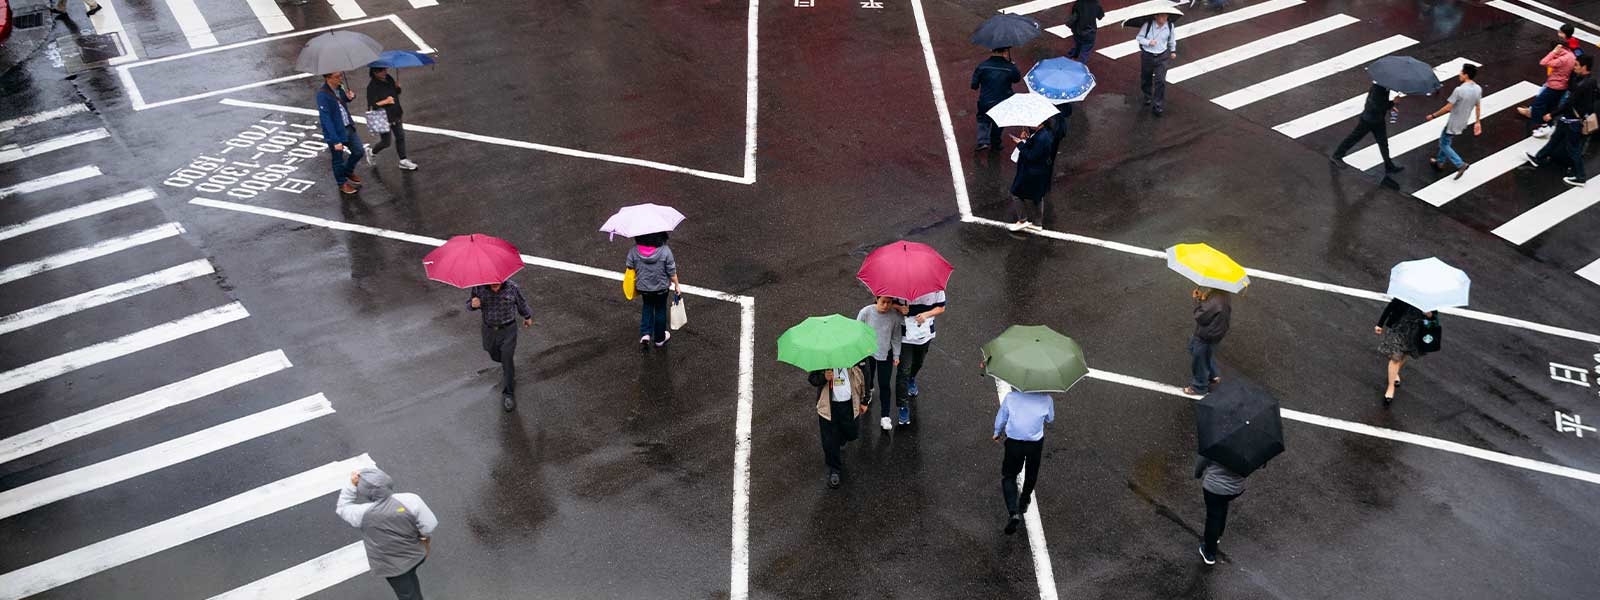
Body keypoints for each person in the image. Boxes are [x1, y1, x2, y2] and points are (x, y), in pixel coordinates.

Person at [336, 468, 438, 600]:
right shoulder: (411, 500)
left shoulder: (361, 514)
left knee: (407, 593)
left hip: (392, 567)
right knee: (411, 576)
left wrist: (352, 484)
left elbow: (342, 507)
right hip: (416, 554)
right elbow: (429, 525)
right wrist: (424, 541)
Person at [1527, 54, 1598, 187]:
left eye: (1576, 65)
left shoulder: (1582, 85)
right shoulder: (1591, 81)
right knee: (1555, 139)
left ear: (1584, 67)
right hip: (1570, 120)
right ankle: (1539, 158)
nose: (1574, 67)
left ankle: (1580, 176)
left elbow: (1569, 103)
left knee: (1573, 149)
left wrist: (1552, 114)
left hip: (1572, 121)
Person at [993, 386, 1054, 535]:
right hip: (1035, 444)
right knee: (1032, 473)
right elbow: (1050, 419)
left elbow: (1002, 417)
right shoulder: (1046, 399)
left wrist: (997, 432)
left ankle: (1013, 512)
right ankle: (1025, 499)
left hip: (1014, 443)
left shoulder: (1011, 398)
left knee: (1009, 476)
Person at [468, 278, 533, 411]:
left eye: (497, 281)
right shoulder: (478, 288)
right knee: (492, 353)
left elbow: (521, 303)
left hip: (508, 330)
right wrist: (472, 305)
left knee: (507, 359)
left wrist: (527, 316)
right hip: (489, 330)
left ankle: (508, 393)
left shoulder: (512, 287)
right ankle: (504, 362)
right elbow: (470, 304)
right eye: (491, 281)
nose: (494, 284)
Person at [810, 365, 867, 489]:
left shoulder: (853, 357)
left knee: (851, 433)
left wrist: (864, 400)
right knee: (830, 441)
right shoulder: (822, 360)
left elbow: (864, 376)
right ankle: (834, 469)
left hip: (849, 406)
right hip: (828, 408)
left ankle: (842, 438)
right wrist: (824, 377)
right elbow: (812, 379)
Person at [895, 290, 946, 425]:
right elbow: (884, 302)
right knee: (903, 370)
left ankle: (912, 378)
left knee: (918, 362)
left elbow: (941, 307)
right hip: (904, 335)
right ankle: (903, 407)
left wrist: (926, 314)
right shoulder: (898, 286)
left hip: (925, 333)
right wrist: (899, 308)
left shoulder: (936, 287)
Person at [1425, 64, 1483, 180]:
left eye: (1461, 72)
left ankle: (1460, 164)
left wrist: (1433, 115)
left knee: (1443, 143)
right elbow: (1478, 106)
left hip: (1453, 122)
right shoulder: (1478, 89)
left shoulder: (1459, 90)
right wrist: (1477, 121)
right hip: (1463, 121)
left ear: (1466, 75)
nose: (1459, 74)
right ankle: (1440, 162)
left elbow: (1448, 107)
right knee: (1446, 140)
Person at [856, 296, 905, 431]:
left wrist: (896, 355)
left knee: (884, 384)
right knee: (868, 378)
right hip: (868, 352)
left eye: (889, 303)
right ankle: (869, 390)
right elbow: (857, 331)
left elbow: (896, 337)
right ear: (876, 299)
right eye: (883, 302)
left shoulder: (894, 316)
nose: (885, 305)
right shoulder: (866, 312)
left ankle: (885, 416)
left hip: (886, 354)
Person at [1331, 84, 1405, 173]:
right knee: (1354, 138)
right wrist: (1393, 102)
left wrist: (1392, 104)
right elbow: (1378, 106)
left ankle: (1389, 165)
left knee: (1383, 143)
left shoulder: (1383, 86)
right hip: (1368, 120)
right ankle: (1336, 156)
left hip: (1378, 119)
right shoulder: (1379, 89)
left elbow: (1381, 104)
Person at [1519, 25, 1578, 137]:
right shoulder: (1571, 55)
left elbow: (1543, 62)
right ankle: (1549, 125)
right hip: (1562, 84)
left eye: (1560, 32)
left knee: (1539, 103)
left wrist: (1554, 53)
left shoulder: (1561, 59)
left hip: (1554, 84)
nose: (1558, 33)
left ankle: (1541, 123)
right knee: (1551, 106)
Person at [627, 232, 681, 349]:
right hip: (661, 288)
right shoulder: (665, 251)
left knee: (647, 306)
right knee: (660, 310)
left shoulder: (634, 250)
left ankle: (645, 333)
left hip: (644, 288)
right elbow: (671, 271)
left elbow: (630, 266)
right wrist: (676, 285)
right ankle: (659, 339)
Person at [1374, 297, 1433, 405]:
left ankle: (1395, 373)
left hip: (1415, 332)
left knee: (1405, 354)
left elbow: (1433, 317)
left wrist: (1429, 314)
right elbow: (1391, 306)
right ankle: (1390, 387)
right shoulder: (1406, 293)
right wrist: (1380, 324)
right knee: (1395, 358)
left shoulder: (1428, 298)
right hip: (1399, 329)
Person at [316, 71, 367, 195]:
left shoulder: (340, 87)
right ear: (328, 78)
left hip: (348, 126)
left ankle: (347, 171)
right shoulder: (322, 95)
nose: (340, 78)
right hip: (336, 132)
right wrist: (335, 140)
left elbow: (343, 100)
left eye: (340, 75)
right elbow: (326, 118)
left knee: (359, 151)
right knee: (337, 159)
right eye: (337, 76)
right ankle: (342, 183)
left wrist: (350, 97)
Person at [1194, 456, 1245, 565]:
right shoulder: (1248, 448)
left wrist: (1198, 473)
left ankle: (1209, 552)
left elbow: (1203, 460)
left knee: (1213, 515)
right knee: (1222, 505)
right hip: (1235, 489)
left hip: (1214, 487)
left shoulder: (1217, 443)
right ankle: (1218, 534)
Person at [1183, 287, 1231, 396]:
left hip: (1206, 335)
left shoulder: (1215, 301)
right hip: (1214, 333)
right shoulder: (1223, 295)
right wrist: (1203, 298)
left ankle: (1199, 387)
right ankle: (1213, 374)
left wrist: (1197, 300)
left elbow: (1200, 316)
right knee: (1198, 350)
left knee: (1199, 360)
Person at [366, 67, 418, 171]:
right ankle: (372, 152)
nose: (385, 72)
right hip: (385, 118)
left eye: (385, 69)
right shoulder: (372, 86)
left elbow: (395, 93)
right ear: (375, 72)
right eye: (382, 70)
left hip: (396, 113)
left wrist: (397, 88)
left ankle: (403, 160)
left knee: (400, 137)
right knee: (386, 142)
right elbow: (372, 105)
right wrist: (386, 101)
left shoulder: (388, 78)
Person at [1008, 122, 1057, 231]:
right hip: (1039, 172)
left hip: (1031, 172)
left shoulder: (1041, 137)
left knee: (1016, 193)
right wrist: (1027, 139)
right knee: (1037, 196)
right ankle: (1037, 223)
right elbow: (1036, 148)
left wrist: (1020, 144)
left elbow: (1031, 156)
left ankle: (1022, 220)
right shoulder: (1044, 133)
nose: (1030, 125)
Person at [971, 47, 1022, 151]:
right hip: (1003, 101)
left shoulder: (982, 66)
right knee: (999, 122)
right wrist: (1013, 65)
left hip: (985, 100)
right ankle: (995, 143)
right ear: (1005, 52)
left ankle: (982, 141)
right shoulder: (1009, 67)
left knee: (983, 119)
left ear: (991, 50)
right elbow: (1017, 79)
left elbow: (974, 85)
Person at [1137, 13, 1177, 116]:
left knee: (1161, 80)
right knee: (1146, 76)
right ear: (1156, 16)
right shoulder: (1148, 25)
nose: (1164, 18)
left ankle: (1158, 105)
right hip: (1148, 55)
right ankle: (1147, 95)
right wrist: (1149, 42)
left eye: (1166, 16)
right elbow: (1139, 38)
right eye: (1162, 16)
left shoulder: (1169, 25)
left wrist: (1173, 51)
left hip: (1162, 56)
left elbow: (1172, 39)